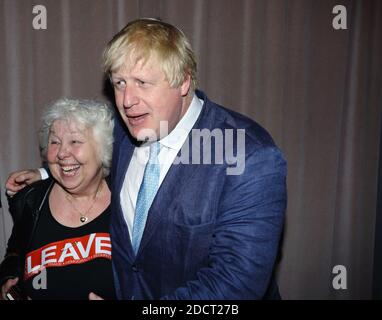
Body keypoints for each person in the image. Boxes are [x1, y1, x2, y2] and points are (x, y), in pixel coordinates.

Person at [5, 18, 287, 299]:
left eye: (142, 82)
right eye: (120, 83)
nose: (127, 100)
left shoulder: (247, 155)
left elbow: (235, 285)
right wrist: (43, 173)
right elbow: (84, 154)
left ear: (184, 81)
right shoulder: (126, 130)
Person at [0, 98, 115, 300]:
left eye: (75, 141)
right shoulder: (32, 201)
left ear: (102, 149)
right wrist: (8, 281)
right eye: (55, 142)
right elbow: (15, 255)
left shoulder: (129, 198)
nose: (62, 153)